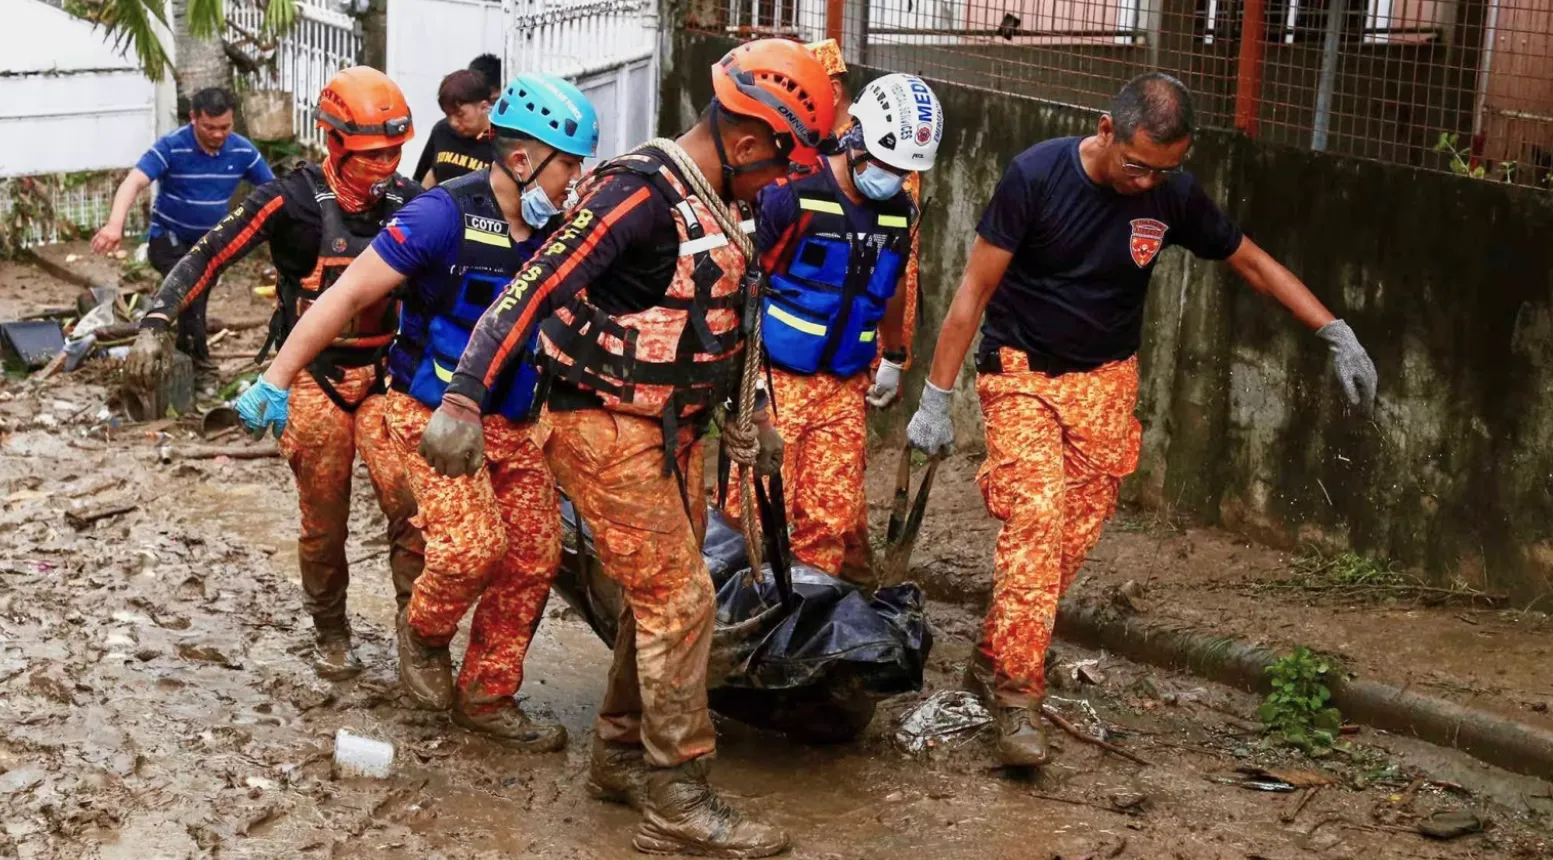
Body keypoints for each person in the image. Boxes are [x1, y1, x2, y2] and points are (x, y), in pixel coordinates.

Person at [419, 38, 834, 858]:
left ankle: (618, 753)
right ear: (749, 141)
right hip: (601, 424)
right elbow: (532, 285)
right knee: (683, 602)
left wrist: (754, 409)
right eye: (782, 162)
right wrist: (463, 399)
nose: (786, 181)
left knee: (661, 599)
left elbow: (729, 315)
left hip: (669, 427)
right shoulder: (635, 193)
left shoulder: (727, 199)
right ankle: (677, 796)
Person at [905, 73, 1379, 768]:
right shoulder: (1034, 176)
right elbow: (973, 291)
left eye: (1166, 169)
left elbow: (1247, 259)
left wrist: (1331, 328)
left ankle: (997, 654)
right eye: (1137, 165)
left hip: (1105, 381)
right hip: (1021, 375)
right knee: (1035, 524)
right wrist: (934, 398)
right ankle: (1015, 698)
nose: (1147, 182)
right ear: (1105, 130)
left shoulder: (1169, 193)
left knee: (1068, 542)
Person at [236, 74, 599, 749]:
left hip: (515, 423)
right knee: (469, 549)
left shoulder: (564, 229)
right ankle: (423, 635)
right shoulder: (441, 215)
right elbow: (343, 296)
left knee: (532, 558)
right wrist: (277, 378)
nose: (576, 181)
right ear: (522, 162)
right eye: (569, 165)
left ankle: (487, 696)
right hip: (428, 415)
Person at [126, 67, 426, 682]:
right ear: (334, 141)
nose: (385, 165)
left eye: (395, 151)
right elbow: (211, 253)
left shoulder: (413, 202)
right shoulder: (288, 200)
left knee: (412, 508)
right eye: (372, 154)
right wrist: (158, 320)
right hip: (312, 376)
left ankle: (417, 635)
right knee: (324, 519)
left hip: (387, 376)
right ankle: (331, 630)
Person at [737, 74, 943, 579]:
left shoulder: (899, 212)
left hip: (844, 388)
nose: (892, 177)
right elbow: (740, 279)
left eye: (903, 170)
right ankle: (734, 630)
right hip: (776, 380)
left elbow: (891, 283)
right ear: (856, 135)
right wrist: (741, 379)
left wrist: (893, 356)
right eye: (886, 163)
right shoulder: (788, 199)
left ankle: (801, 639)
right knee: (755, 513)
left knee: (828, 520)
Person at [93, 87, 275, 383]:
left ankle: (179, 357)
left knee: (192, 301)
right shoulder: (172, 146)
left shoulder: (242, 150)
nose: (218, 134)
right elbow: (134, 181)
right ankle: (200, 369)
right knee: (191, 294)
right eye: (209, 127)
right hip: (168, 239)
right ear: (193, 118)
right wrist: (115, 224)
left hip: (211, 245)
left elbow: (274, 191)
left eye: (224, 127)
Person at [412, 69, 497, 188]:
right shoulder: (442, 131)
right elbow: (421, 179)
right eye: (448, 115)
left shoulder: (500, 142)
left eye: (460, 115)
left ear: (483, 107)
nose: (453, 123)